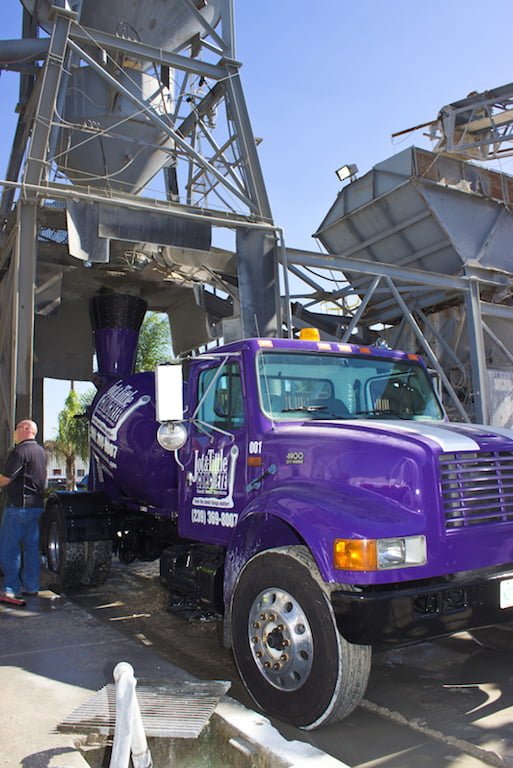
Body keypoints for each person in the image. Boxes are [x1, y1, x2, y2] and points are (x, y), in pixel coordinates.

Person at [0, 419, 47, 599]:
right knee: (31, 549)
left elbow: (6, 479)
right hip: (35, 508)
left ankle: (11, 588)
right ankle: (32, 586)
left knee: (9, 549)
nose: (14, 432)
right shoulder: (41, 452)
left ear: (26, 429)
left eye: (17, 428)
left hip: (17, 508)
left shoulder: (20, 451)